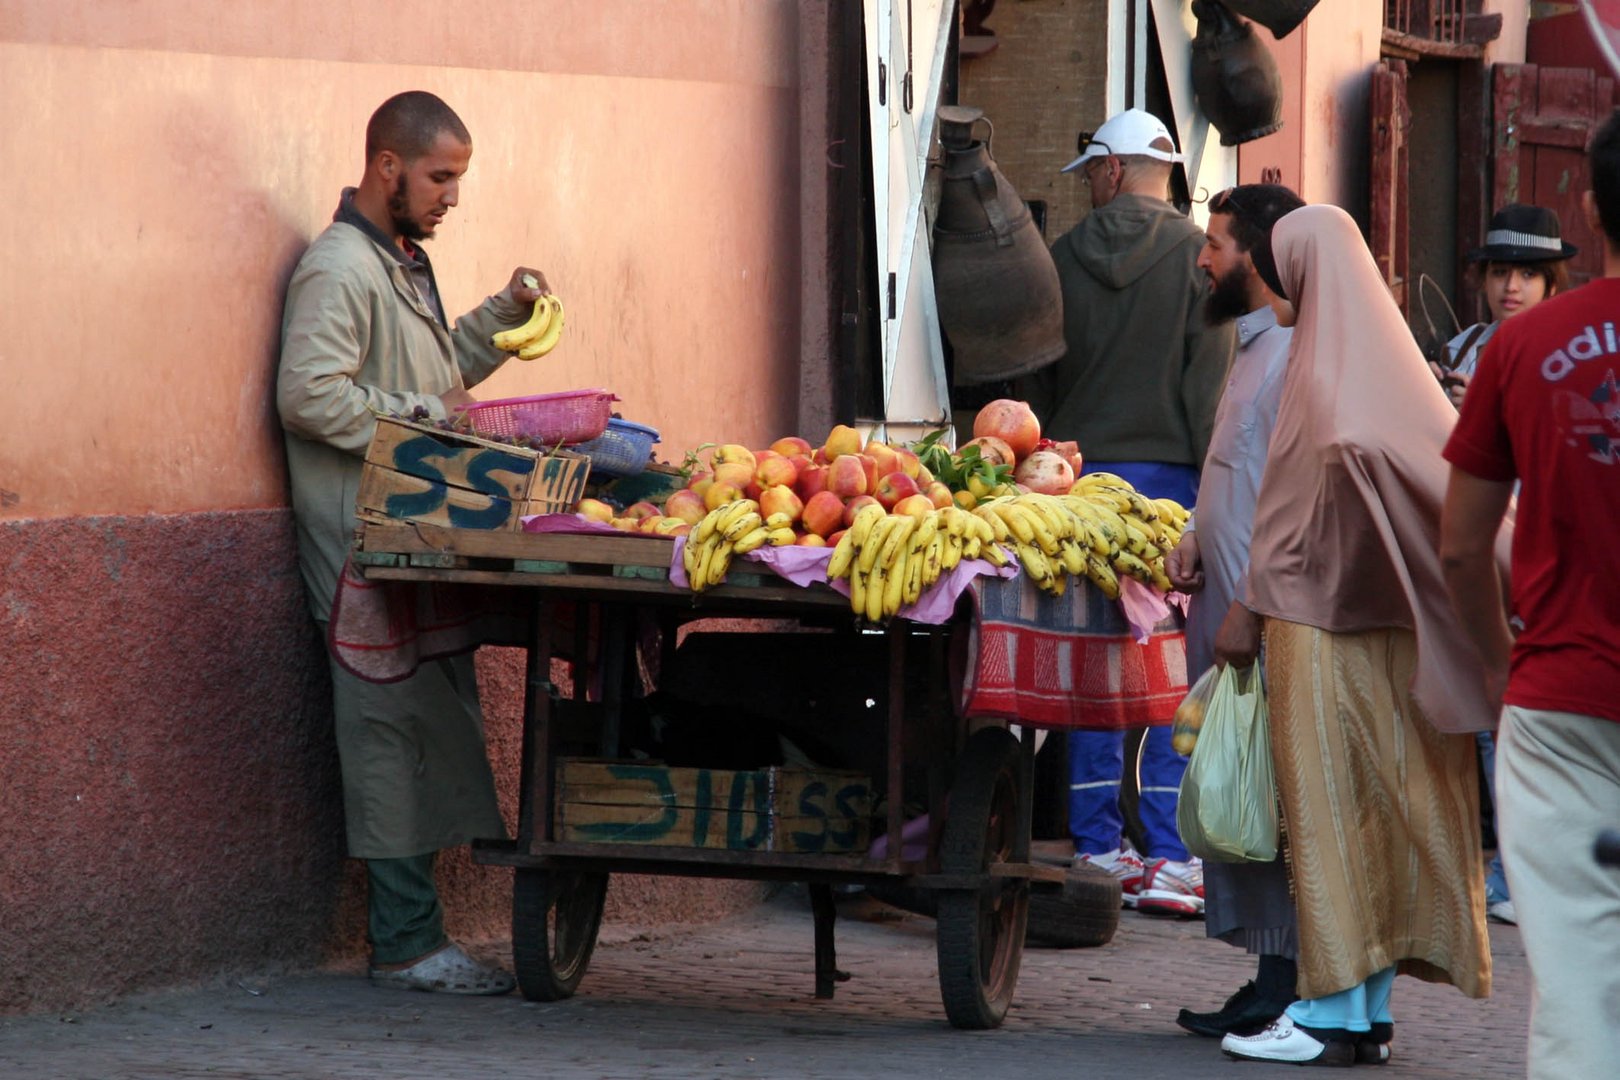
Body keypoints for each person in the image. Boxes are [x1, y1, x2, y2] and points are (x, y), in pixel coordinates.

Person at [277, 91, 551, 995]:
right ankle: (403, 945)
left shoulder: (401, 262)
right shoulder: (338, 269)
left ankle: (418, 934)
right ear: (387, 166)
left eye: (458, 178)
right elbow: (309, 397)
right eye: (441, 176)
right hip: (362, 548)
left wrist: (498, 321)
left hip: (415, 539)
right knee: (385, 735)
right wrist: (428, 416)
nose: (452, 197)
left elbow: (434, 376)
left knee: (430, 725)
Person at [1214, 204, 1500, 1066]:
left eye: (1287, 263)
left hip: (1316, 626)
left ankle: (1326, 1014)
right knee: (1383, 813)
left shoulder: (1316, 375)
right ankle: (1363, 1012)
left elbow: (1290, 515)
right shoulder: (1396, 372)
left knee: (1328, 818)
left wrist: (1246, 609)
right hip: (1403, 628)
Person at [1439, 108, 1620, 1080]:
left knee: (1582, 993)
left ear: (1589, 210)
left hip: (1559, 706)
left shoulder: (1520, 351)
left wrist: (1506, 676)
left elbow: (1461, 549)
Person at [1022, 108, 1236, 915]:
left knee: (1091, 668)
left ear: (1110, 172)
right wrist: (1213, 497)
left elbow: (1034, 384)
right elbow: (1208, 386)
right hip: (1171, 486)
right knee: (1172, 673)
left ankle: (1097, 846)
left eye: (1091, 177)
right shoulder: (1200, 258)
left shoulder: (1060, 258)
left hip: (1078, 490)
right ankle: (1174, 857)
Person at [1165, 183, 1304, 1038]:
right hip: (1223, 604)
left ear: (1258, 255)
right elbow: (1232, 470)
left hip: (1260, 616)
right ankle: (1269, 977)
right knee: (1242, 793)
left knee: (1273, 799)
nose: (1204, 259)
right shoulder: (1248, 349)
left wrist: (1248, 605)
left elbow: (1288, 498)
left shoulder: (1295, 356)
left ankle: (1287, 980)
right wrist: (1192, 533)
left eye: (1217, 244)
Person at [1429, 203, 1575, 927]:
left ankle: (1521, 875)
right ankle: (1489, 867)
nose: (1510, 286)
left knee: (1512, 719)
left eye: (1526, 273)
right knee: (1473, 714)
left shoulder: (1557, 350)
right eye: (1499, 272)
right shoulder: (1465, 345)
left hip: (1532, 553)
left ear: (1551, 281)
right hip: (1463, 551)